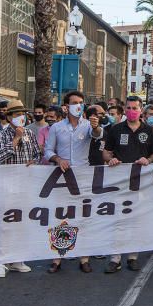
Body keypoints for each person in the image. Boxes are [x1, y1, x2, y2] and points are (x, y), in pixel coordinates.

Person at [44, 91, 103, 274]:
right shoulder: (57, 128)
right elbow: (47, 150)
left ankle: (84, 258)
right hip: (61, 177)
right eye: (74, 103)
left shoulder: (87, 126)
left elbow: (97, 136)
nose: (78, 105)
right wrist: (58, 159)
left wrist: (95, 127)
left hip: (82, 176)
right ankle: (57, 258)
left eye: (81, 102)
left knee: (82, 217)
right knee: (61, 217)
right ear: (66, 106)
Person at [102, 96, 153, 274]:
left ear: (141, 109)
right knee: (118, 219)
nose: (132, 110)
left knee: (136, 219)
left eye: (135, 107)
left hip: (141, 182)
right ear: (124, 109)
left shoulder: (149, 131)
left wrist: (148, 159)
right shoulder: (116, 129)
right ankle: (115, 258)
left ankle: (133, 257)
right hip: (119, 182)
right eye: (128, 107)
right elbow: (106, 152)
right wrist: (111, 160)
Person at [0, 99, 39, 278]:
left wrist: (35, 160)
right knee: (5, 223)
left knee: (21, 222)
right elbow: (1, 156)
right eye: (17, 115)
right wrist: (16, 138)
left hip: (25, 184)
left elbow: (36, 154)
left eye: (23, 114)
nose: (21, 118)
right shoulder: (2, 135)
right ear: (9, 117)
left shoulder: (30, 134)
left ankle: (17, 258)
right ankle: (1, 261)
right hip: (7, 185)